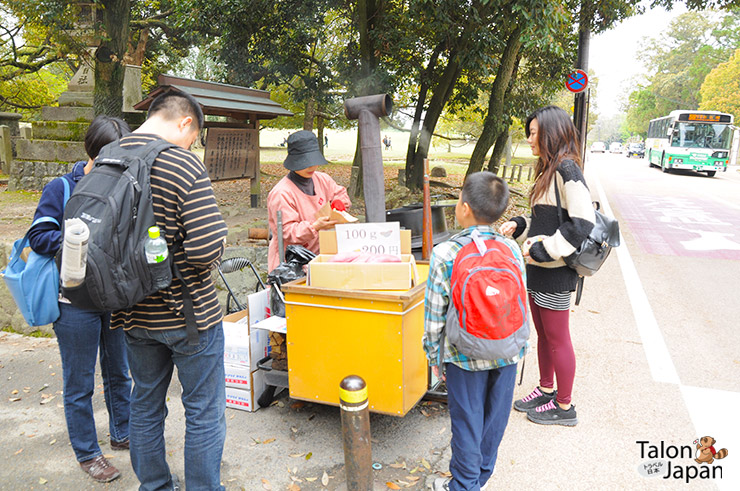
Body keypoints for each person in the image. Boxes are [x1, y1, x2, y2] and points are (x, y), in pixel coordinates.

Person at [110, 90, 228, 490]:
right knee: (203, 412)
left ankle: (155, 486)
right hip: (189, 316)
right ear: (184, 123)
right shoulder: (180, 163)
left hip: (131, 313)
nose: (191, 144)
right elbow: (206, 248)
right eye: (193, 136)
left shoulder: (107, 158)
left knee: (144, 406)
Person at [28, 116, 132, 483]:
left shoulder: (124, 186)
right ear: (93, 152)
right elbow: (38, 236)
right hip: (73, 303)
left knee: (121, 373)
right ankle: (88, 452)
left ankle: (123, 433)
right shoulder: (62, 187)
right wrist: (74, 243)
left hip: (114, 301)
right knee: (80, 382)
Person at [424, 172, 527, 491]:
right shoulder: (511, 250)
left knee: (467, 424)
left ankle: (464, 485)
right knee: (494, 423)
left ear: (464, 207)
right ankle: (477, 477)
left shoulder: (445, 254)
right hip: (508, 352)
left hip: (463, 356)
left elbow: (434, 317)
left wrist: (433, 355)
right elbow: (518, 300)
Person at [499, 105, 595, 427]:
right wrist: (518, 224)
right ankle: (545, 389)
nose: (529, 139)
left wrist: (544, 250)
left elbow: (582, 223)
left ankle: (565, 406)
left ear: (551, 134)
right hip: (539, 270)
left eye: (534, 133)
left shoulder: (568, 170)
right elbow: (545, 220)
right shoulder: (548, 171)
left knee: (558, 338)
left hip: (555, 273)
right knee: (542, 334)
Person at [267, 130, 351, 271]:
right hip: (290, 264)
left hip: (319, 257)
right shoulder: (281, 193)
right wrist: (315, 226)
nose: (312, 167)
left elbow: (340, 194)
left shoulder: (322, 179)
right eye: (305, 162)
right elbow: (287, 231)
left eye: (314, 161)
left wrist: (339, 204)